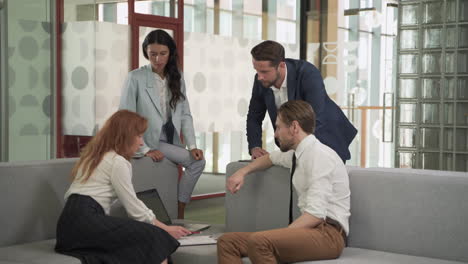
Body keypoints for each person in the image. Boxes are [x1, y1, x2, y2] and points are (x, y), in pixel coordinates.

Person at [218, 100, 350, 264]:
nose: (275, 134)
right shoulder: (297, 154)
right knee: (227, 242)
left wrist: (281, 236)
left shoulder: (320, 156)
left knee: (260, 241)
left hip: (328, 235)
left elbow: (316, 215)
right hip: (312, 231)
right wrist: (242, 172)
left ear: (294, 127)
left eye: (278, 127)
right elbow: (271, 158)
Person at [55, 110, 191, 264]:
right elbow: (134, 208)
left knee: (138, 245)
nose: (141, 143)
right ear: (125, 136)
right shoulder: (117, 161)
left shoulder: (94, 157)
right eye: (139, 136)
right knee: (155, 238)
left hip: (66, 228)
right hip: (86, 222)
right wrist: (165, 229)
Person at [120, 29, 205, 219]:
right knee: (196, 164)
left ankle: (179, 206)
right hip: (148, 140)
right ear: (146, 53)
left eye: (163, 54)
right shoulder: (135, 77)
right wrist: (144, 149)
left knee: (197, 161)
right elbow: (125, 117)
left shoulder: (177, 77)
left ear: (171, 53)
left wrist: (192, 145)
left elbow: (185, 114)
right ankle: (179, 212)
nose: (158, 59)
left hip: (168, 140)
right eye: (153, 54)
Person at [246, 40, 357, 162]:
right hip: (295, 145)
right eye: (256, 70)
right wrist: (255, 147)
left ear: (281, 65)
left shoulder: (307, 73)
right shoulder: (261, 80)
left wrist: (295, 149)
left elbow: (314, 118)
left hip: (326, 137)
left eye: (264, 72)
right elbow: (254, 117)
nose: (259, 77)